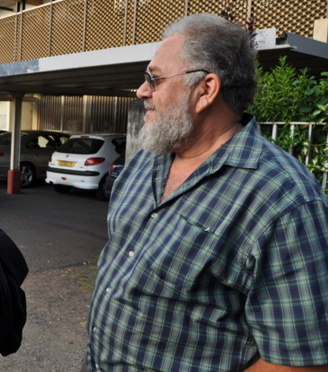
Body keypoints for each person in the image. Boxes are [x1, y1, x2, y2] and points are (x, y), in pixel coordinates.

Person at [86, 13, 328, 372]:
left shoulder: (284, 200)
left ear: (206, 91)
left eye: (154, 78)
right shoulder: (145, 163)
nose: (142, 91)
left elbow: (299, 362)